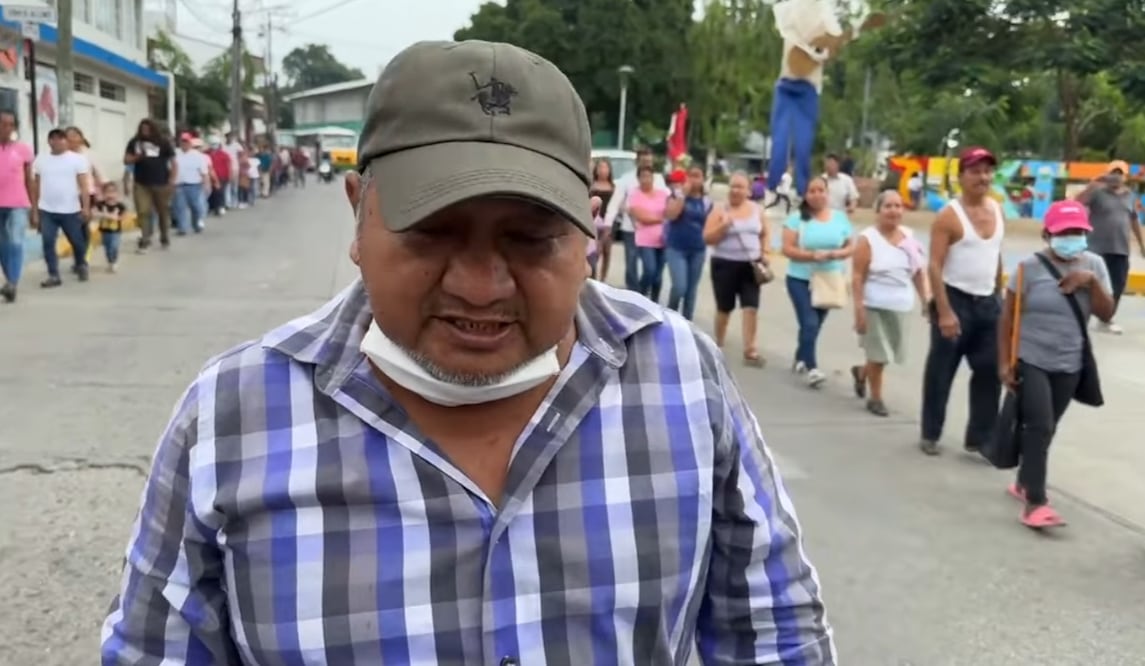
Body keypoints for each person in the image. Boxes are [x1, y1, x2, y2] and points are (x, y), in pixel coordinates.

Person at [101, 39, 834, 664]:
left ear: (589, 234)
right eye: (433, 231)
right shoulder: (232, 418)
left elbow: (776, 639)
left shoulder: (678, 377)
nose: (481, 287)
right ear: (358, 212)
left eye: (530, 238)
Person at [998, 200, 1114, 528]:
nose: (1072, 237)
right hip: (1031, 359)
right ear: (1047, 235)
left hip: (1070, 363)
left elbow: (1107, 313)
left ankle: (1024, 482)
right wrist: (1004, 363)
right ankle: (1036, 503)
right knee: (1040, 425)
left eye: (1078, 231)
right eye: (1065, 232)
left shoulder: (1094, 265)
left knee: (1047, 427)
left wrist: (1090, 282)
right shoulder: (1028, 269)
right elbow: (1007, 318)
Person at [919, 146, 1004, 456]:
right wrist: (943, 311)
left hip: (988, 302)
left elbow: (996, 255)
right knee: (941, 371)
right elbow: (934, 265)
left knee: (990, 372)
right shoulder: (949, 217)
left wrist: (999, 296)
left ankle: (980, 438)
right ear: (961, 177)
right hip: (955, 299)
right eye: (975, 171)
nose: (983, 177)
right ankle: (931, 433)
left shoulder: (998, 210)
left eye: (987, 171)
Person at [849, 191, 929, 416]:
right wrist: (859, 309)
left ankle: (862, 373)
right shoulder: (867, 239)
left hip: (901, 305)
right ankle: (875, 398)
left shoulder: (908, 237)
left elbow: (917, 271)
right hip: (874, 305)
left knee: (888, 354)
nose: (894, 211)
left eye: (898, 206)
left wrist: (925, 300)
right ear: (878, 211)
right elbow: (857, 277)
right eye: (888, 206)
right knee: (879, 354)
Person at [782, 175, 854, 388]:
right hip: (800, 278)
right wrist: (812, 256)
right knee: (809, 322)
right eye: (811, 191)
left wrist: (836, 254)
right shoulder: (796, 219)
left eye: (820, 190)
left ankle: (800, 356)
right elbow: (787, 248)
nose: (816, 195)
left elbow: (851, 246)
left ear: (827, 193)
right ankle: (812, 368)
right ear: (805, 195)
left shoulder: (839, 218)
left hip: (829, 279)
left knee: (814, 325)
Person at [703, 171, 771, 366]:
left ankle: (750, 350)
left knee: (751, 307)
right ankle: (718, 344)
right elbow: (707, 238)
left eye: (740, 187)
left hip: (751, 265)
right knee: (724, 308)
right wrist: (723, 227)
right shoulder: (719, 210)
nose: (735, 190)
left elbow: (765, 233)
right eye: (732, 186)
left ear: (748, 191)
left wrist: (765, 252)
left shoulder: (757, 210)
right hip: (724, 264)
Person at [1075, 159, 1145, 335]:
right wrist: (1094, 182)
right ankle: (1079, 317)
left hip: (1120, 249)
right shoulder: (1097, 192)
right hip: (1096, 248)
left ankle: (1106, 319)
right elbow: (1078, 201)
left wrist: (1142, 244)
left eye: (1120, 173)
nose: (1116, 177)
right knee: (1088, 285)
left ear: (1125, 177)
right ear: (1107, 174)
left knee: (1117, 286)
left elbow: (1134, 220)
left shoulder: (1130, 196)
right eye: (1113, 172)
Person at [32, 128, 92, 287]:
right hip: (47, 210)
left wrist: (86, 207)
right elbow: (36, 185)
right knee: (48, 242)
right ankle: (53, 275)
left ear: (66, 141)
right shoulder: (41, 160)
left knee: (77, 241)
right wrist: (35, 210)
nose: (57, 141)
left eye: (61, 138)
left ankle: (81, 263)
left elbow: (84, 186)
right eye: (53, 138)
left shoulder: (77, 159)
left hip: (70, 210)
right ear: (49, 141)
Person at [603, 147, 666, 291]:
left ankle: (645, 291)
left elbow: (667, 201)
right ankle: (633, 292)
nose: (647, 164)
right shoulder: (626, 179)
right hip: (631, 229)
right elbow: (615, 203)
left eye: (649, 161)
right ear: (637, 161)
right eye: (644, 161)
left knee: (651, 266)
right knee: (631, 261)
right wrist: (608, 224)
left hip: (653, 230)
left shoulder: (659, 179)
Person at [664, 164, 711, 320]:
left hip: (698, 250)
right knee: (679, 287)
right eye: (691, 176)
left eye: (697, 176)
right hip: (676, 248)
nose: (694, 180)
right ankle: (669, 316)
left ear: (703, 179)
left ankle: (687, 323)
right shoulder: (676, 195)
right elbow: (670, 215)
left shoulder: (706, 201)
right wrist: (682, 195)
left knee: (691, 291)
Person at [124, 119, 175, 252]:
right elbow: (126, 160)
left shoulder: (163, 142)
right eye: (142, 129)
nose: (145, 131)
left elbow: (173, 162)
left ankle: (164, 236)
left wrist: (172, 180)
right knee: (143, 211)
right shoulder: (135, 142)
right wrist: (137, 157)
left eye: (147, 129)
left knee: (162, 212)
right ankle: (145, 239)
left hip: (161, 183)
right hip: (141, 183)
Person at [0, 109, 34, 303]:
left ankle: (12, 282)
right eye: (2, 124)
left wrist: (35, 209)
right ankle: (10, 281)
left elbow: (30, 180)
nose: (6, 128)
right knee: (3, 244)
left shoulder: (23, 150)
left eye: (11, 125)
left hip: (18, 204)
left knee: (15, 241)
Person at [627, 165, 670, 302]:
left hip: (663, 239)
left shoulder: (663, 194)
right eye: (643, 177)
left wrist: (658, 218)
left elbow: (670, 212)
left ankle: (654, 303)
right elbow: (641, 217)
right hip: (645, 240)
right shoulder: (635, 195)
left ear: (653, 178)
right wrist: (661, 218)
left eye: (648, 176)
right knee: (650, 270)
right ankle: (640, 298)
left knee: (658, 277)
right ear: (638, 178)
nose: (646, 179)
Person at [589, 159, 615, 280]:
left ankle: (603, 278)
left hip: (609, 221)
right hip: (595, 221)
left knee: (607, 251)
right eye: (600, 167)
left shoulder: (613, 187)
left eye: (605, 167)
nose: (603, 170)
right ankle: (592, 276)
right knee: (595, 251)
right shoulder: (592, 185)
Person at [93, 182, 127, 273]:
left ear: (117, 194)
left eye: (113, 192)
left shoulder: (120, 206)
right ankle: (110, 261)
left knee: (114, 246)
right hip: (105, 231)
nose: (110, 195)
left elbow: (123, 216)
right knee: (107, 247)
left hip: (116, 231)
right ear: (103, 194)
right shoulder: (101, 204)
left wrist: (116, 217)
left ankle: (114, 261)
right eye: (107, 192)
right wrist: (103, 215)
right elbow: (94, 213)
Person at [206, 139, 232, 216]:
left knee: (219, 192)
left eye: (215, 144)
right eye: (212, 144)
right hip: (210, 176)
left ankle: (220, 207)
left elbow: (229, 165)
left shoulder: (224, 154)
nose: (214, 146)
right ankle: (212, 207)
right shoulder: (206, 153)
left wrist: (229, 176)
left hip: (222, 176)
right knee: (211, 192)